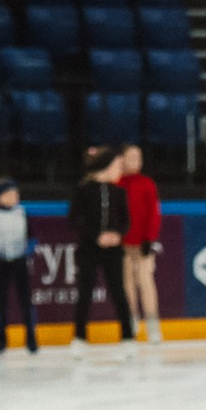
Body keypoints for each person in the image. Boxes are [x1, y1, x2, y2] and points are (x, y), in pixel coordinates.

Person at [65, 145, 132, 353]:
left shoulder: (119, 192)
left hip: (113, 249)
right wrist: (96, 236)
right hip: (89, 249)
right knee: (85, 292)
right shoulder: (83, 190)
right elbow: (74, 220)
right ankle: (79, 337)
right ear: (106, 166)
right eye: (117, 165)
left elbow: (125, 221)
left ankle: (128, 337)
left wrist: (117, 234)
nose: (120, 169)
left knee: (118, 292)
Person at [0, 176, 38, 355]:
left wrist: (27, 250)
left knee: (25, 300)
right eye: (9, 194)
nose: (14, 197)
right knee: (1, 302)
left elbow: (32, 235)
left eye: (16, 193)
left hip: (20, 262)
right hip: (1, 263)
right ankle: (1, 338)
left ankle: (31, 337)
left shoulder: (22, 213)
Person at [118, 143, 164, 344]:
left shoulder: (147, 184)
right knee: (127, 284)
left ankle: (153, 325)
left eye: (139, 157)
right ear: (122, 160)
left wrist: (149, 238)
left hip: (142, 243)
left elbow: (154, 214)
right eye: (131, 157)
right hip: (122, 244)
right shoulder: (117, 183)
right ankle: (131, 322)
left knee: (146, 282)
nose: (136, 162)